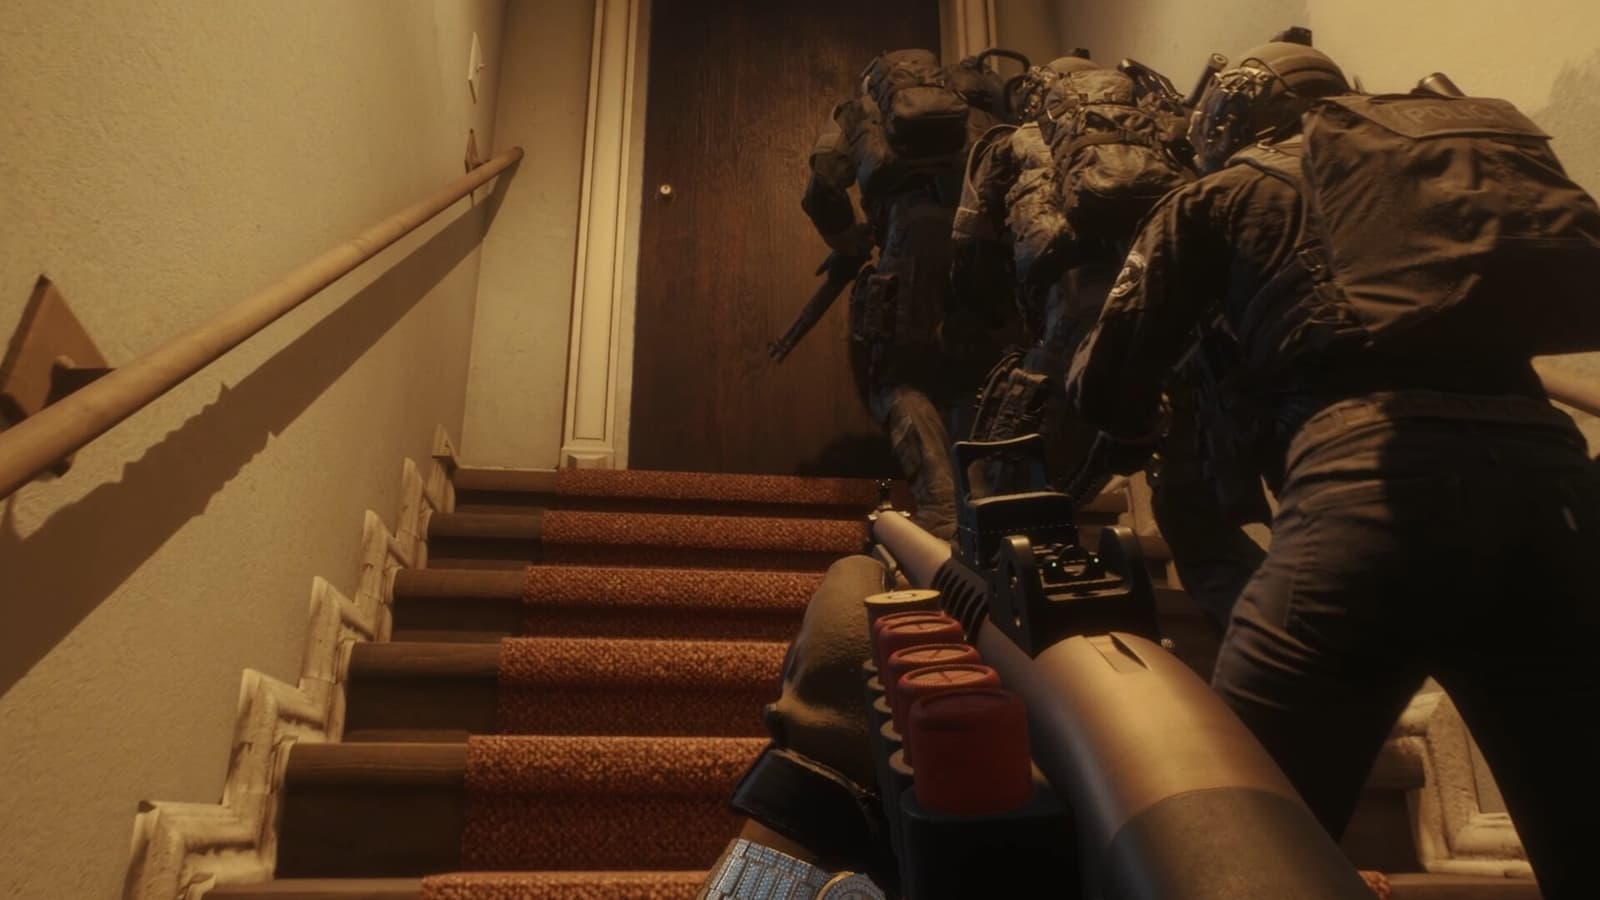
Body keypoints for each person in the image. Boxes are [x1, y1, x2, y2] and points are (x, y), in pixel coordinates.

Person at [1065, 38, 1600, 898]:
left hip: (1369, 497)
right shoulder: (1419, 183)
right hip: (1560, 491)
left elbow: (1105, 384)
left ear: (1230, 115)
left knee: (1233, 841)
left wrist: (1148, 421)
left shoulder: (1222, 193)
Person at [802, 49, 1008, 540]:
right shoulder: (973, 106)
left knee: (894, 377)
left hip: (909, 245)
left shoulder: (861, 111)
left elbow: (822, 187)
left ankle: (942, 506)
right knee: (973, 375)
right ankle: (985, 504)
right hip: (984, 248)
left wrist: (846, 238)